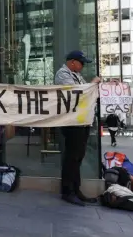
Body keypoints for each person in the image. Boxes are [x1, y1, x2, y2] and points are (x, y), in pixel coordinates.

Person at [54, 50, 101, 206]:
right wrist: (93, 84)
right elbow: (76, 92)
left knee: (78, 156)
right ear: (72, 62)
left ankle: (76, 189)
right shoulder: (62, 74)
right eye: (81, 63)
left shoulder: (77, 75)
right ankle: (67, 191)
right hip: (71, 123)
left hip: (81, 121)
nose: (82, 66)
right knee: (72, 157)